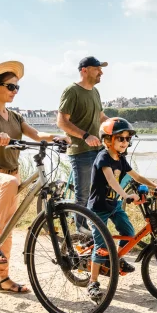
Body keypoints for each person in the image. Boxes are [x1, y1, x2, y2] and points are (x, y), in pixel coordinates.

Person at [0, 60, 69, 294]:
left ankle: (3, 279)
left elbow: (36, 134)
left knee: (9, 227)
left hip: (11, 177)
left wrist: (57, 137)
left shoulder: (15, 117)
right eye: (10, 87)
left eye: (17, 88)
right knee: (9, 188)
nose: (14, 91)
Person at [86, 117, 157, 302]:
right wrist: (126, 195)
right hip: (98, 210)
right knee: (102, 246)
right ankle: (92, 283)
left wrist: (156, 187)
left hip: (113, 207)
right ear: (107, 140)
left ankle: (116, 260)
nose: (125, 142)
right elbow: (112, 181)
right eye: (120, 138)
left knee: (129, 233)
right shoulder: (103, 157)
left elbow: (137, 176)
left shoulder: (121, 159)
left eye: (128, 139)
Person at [56, 56, 109, 231]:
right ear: (84, 70)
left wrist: (119, 127)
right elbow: (62, 122)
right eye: (97, 68)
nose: (101, 72)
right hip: (80, 150)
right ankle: (80, 229)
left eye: (101, 69)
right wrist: (85, 135)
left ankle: (94, 227)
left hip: (98, 149)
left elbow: (101, 118)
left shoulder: (95, 92)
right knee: (83, 194)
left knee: (98, 191)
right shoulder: (72, 91)